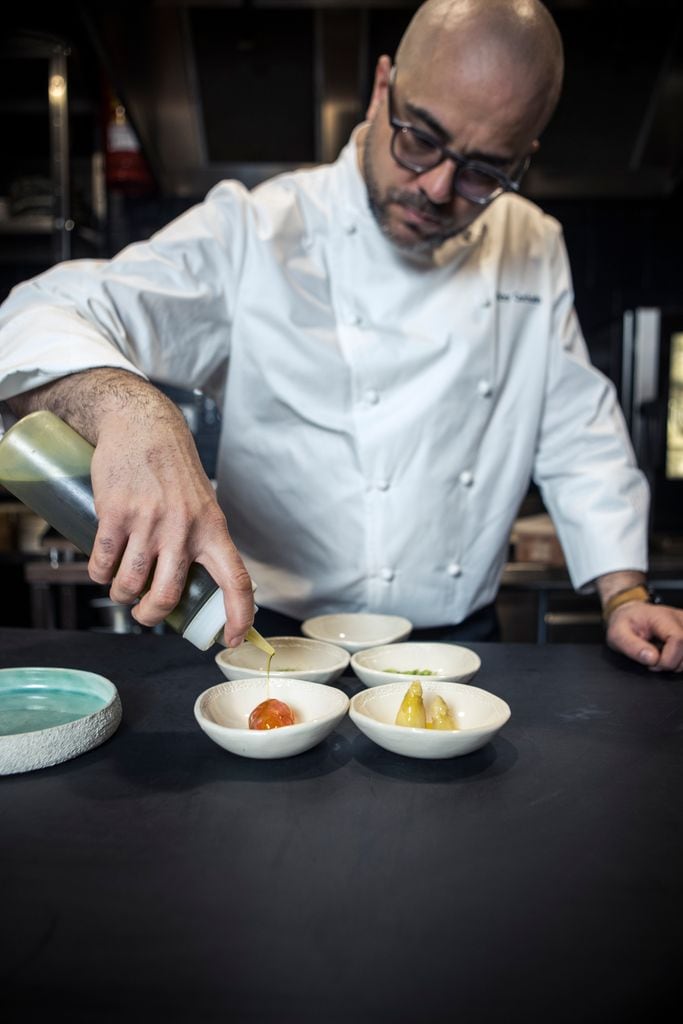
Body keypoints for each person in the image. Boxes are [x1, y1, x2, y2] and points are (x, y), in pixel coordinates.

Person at [0, 0, 681, 671]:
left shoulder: (532, 244)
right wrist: (132, 409)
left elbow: (576, 429)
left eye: (483, 170)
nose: (438, 187)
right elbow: (35, 312)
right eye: (420, 138)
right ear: (383, 87)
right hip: (269, 637)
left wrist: (623, 591)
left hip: (457, 643)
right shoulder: (255, 229)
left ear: (523, 159)